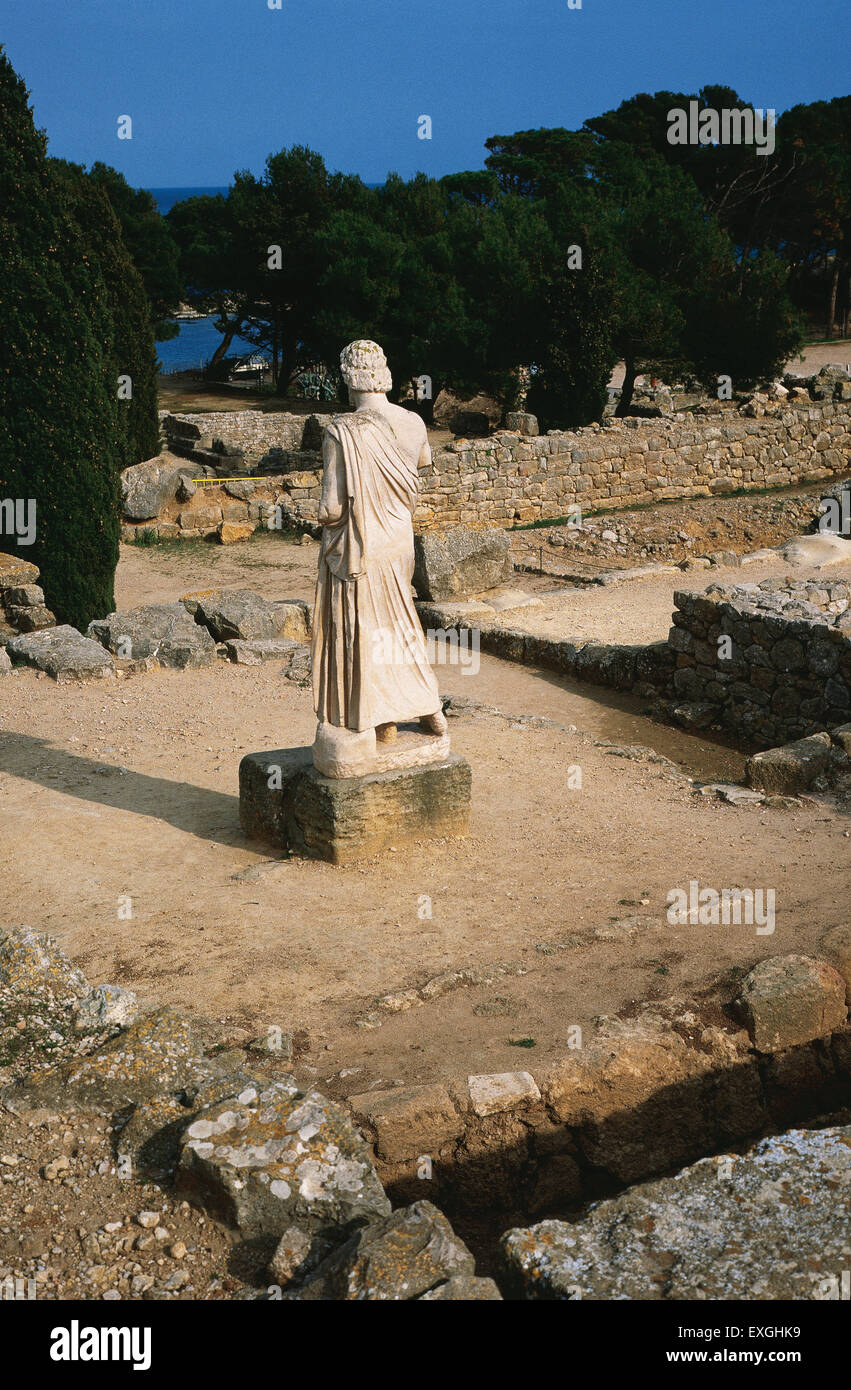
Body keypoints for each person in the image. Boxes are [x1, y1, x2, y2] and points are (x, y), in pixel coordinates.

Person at [310, 340, 447, 750]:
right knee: (401, 625)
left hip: (363, 547)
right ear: (383, 374)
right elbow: (417, 469)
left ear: (350, 378)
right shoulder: (413, 422)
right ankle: (428, 708)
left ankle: (374, 717)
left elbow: (331, 508)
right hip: (399, 541)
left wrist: (316, 516)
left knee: (365, 632)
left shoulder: (342, 431)